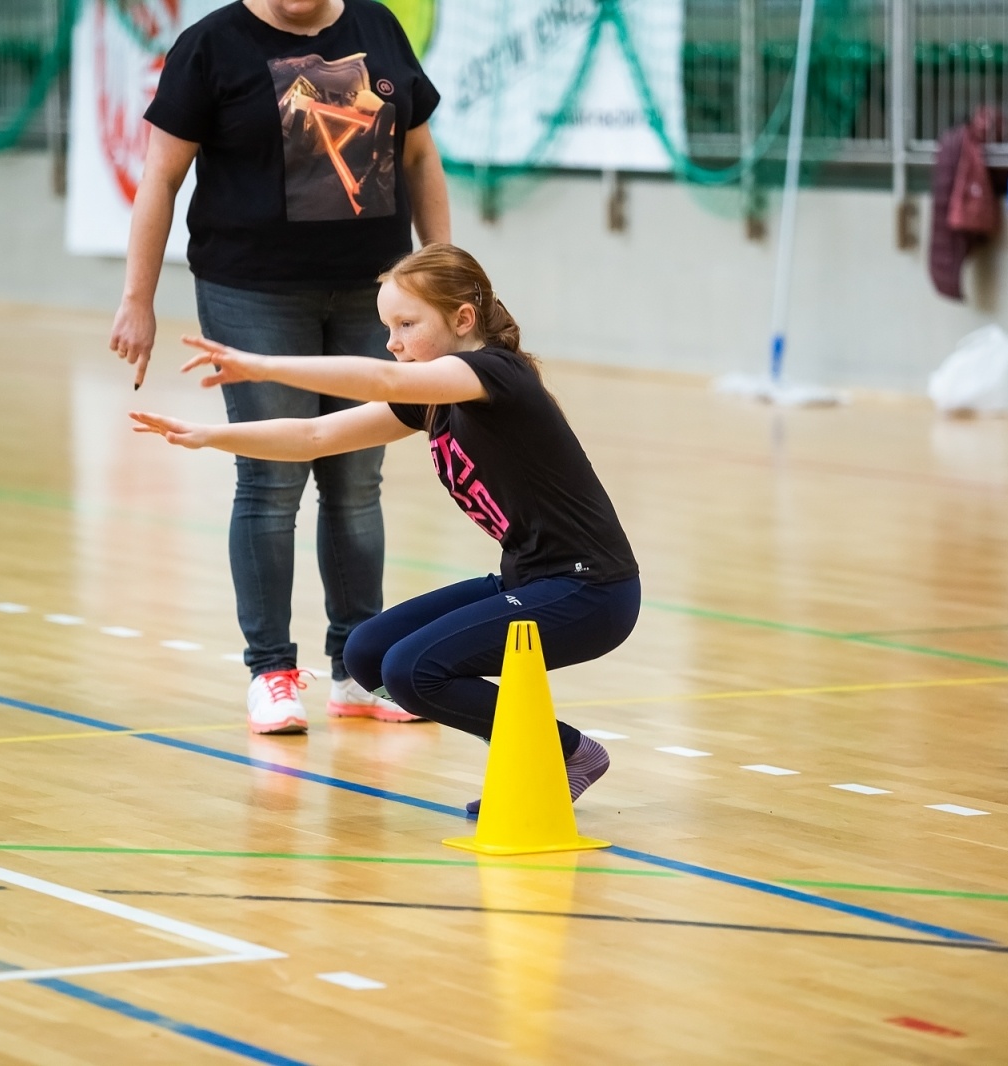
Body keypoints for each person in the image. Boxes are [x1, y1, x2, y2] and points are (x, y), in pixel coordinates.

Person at [131, 244, 641, 810]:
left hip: (591, 591)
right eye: (387, 326)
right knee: (367, 653)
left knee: (412, 672)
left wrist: (264, 365)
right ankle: (545, 754)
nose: (392, 342)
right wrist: (207, 435)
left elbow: (378, 376)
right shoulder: (433, 398)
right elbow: (316, 437)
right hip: (530, 580)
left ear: (462, 320)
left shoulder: (497, 374)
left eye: (406, 324)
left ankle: (565, 753)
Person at [108, 0, 450, 735]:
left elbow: (420, 158)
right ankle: (271, 670)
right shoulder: (211, 46)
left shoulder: (378, 28)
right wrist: (138, 299)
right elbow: (161, 179)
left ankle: (359, 670)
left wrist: (441, 284)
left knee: (358, 481)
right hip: (252, 294)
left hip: (372, 296)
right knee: (270, 477)